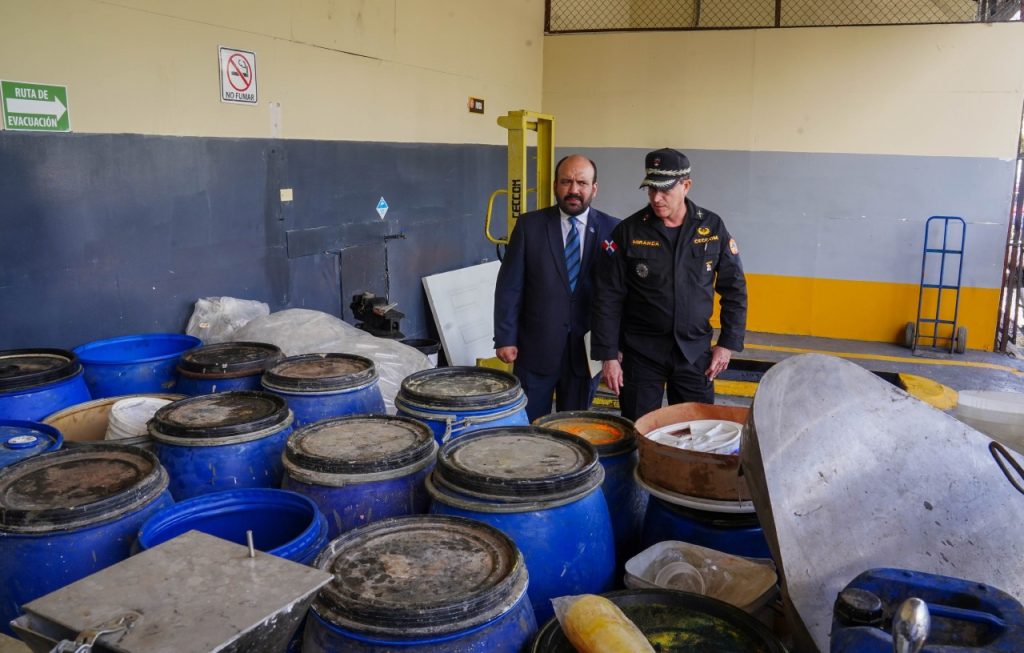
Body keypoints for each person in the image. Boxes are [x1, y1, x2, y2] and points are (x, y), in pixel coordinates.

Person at [590, 148, 747, 421]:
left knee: (695, 430)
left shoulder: (711, 228)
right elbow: (607, 296)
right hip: (641, 354)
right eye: (651, 189)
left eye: (665, 190)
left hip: (694, 353)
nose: (656, 198)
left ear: (686, 186)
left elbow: (734, 289)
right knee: (639, 428)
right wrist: (608, 356)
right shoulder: (629, 231)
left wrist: (727, 344)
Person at [493, 154, 619, 421]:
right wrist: (505, 337)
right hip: (535, 349)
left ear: (594, 188)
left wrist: (615, 348)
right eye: (566, 181)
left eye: (582, 183)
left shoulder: (613, 230)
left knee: (574, 427)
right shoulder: (529, 226)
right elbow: (509, 285)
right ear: (555, 185)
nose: (574, 190)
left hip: (585, 354)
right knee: (529, 427)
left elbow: (619, 295)